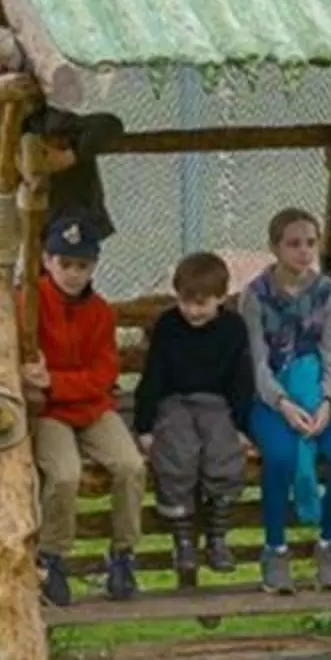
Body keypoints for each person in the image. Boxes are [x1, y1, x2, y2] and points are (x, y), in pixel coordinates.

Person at [22, 207, 146, 606]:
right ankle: (51, 557)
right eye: (65, 264)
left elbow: (103, 373)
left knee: (130, 466)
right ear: (47, 261)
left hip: (91, 407)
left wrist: (54, 381)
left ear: (94, 266)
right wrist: (43, 383)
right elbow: (22, 362)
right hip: (50, 413)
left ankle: (123, 553)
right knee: (64, 474)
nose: (73, 274)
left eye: (82, 265)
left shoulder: (100, 312)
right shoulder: (28, 302)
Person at [237, 207, 331, 594]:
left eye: (310, 243)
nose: (303, 252)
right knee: (280, 456)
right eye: (293, 244)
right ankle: (275, 549)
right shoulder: (255, 296)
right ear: (275, 247)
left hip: (319, 391)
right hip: (272, 396)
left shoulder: (327, 293)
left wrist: (327, 402)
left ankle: (329, 544)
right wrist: (284, 405)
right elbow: (257, 361)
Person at [131, 250, 253, 587]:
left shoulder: (233, 328)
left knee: (222, 450)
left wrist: (242, 425)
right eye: (185, 302)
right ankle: (183, 540)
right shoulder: (168, 326)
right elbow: (153, 376)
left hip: (215, 402)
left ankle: (217, 536)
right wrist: (144, 426)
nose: (192, 311)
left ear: (221, 298)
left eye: (201, 304)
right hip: (174, 401)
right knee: (177, 451)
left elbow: (241, 380)